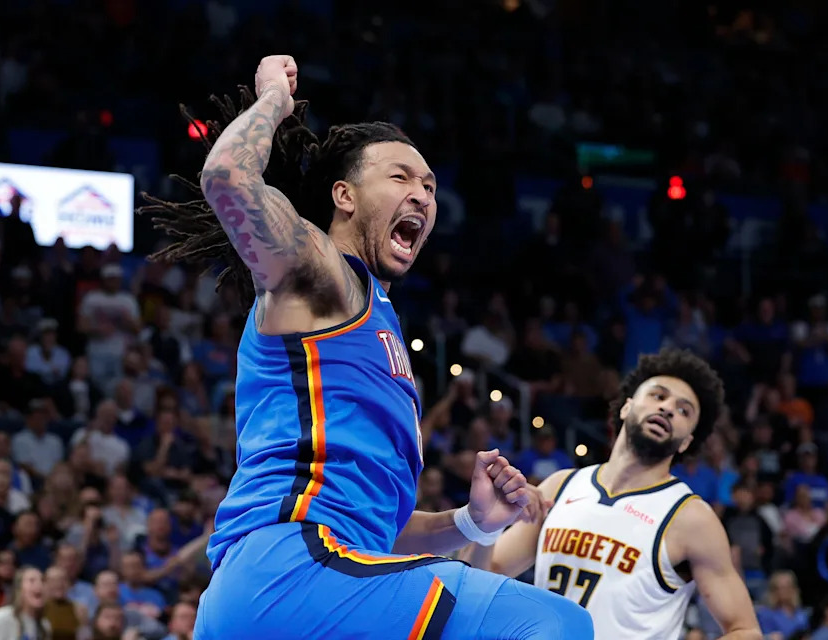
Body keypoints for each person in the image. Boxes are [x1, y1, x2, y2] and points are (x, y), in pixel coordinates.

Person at [143, 54, 594, 639]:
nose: (423, 196)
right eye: (401, 177)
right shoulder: (322, 270)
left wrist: (473, 523)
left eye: (430, 186)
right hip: (293, 571)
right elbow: (227, 178)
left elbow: (377, 530)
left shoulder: (378, 325)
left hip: (301, 587)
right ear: (345, 196)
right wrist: (273, 101)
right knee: (553, 622)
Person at [465, 349, 760, 639]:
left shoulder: (691, 518)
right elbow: (480, 579)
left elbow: (745, 631)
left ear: (686, 442)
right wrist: (486, 528)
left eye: (684, 410)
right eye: (658, 395)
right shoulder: (559, 487)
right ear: (626, 407)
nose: (668, 408)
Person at [0, 566, 50, 640]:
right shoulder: (2, 618)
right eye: (32, 581)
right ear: (19, 589)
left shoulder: (44, 625)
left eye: (42, 581)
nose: (39, 585)